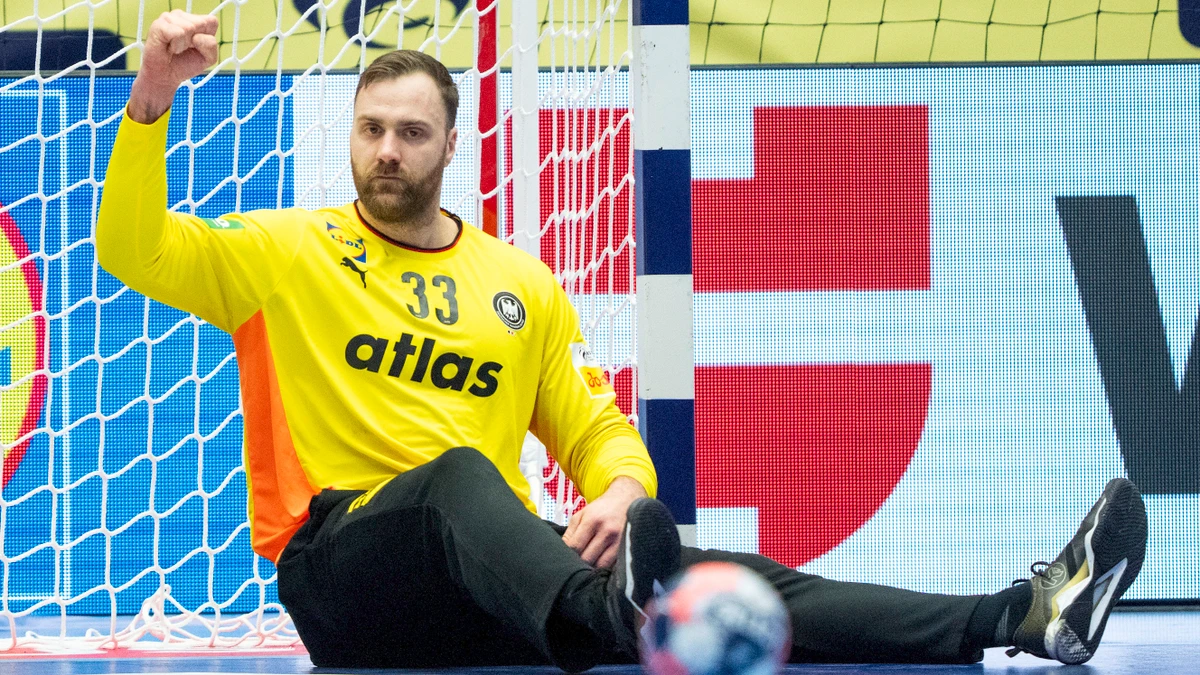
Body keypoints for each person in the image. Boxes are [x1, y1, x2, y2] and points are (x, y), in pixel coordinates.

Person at [95, 10, 1149, 672]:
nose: (386, 150)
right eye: (371, 128)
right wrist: (151, 103)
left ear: (450, 146)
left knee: (735, 583)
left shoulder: (517, 286)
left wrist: (618, 494)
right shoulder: (284, 253)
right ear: (352, 136)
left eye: (411, 132)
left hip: (489, 593)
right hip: (344, 577)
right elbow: (133, 249)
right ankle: (613, 612)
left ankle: (1024, 614)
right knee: (465, 477)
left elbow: (597, 430)